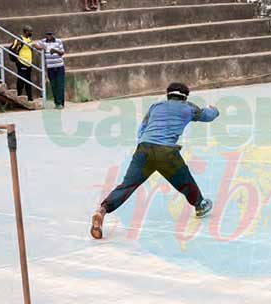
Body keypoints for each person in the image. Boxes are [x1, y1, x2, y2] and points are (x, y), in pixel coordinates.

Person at [90, 82, 217, 240]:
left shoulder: (155, 107)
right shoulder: (188, 107)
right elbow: (207, 116)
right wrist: (214, 110)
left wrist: (145, 148)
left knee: (126, 186)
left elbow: (142, 129)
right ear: (184, 97)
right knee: (186, 181)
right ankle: (200, 205)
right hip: (167, 153)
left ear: (168, 95)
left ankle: (102, 210)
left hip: (143, 149)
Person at [35, 29, 66, 109]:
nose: (49, 36)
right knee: (53, 85)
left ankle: (60, 103)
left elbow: (62, 52)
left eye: (50, 34)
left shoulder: (58, 41)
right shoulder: (44, 41)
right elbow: (36, 45)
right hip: (50, 67)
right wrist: (42, 48)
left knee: (60, 85)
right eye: (47, 34)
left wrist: (55, 51)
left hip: (59, 66)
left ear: (53, 35)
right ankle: (57, 102)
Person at [10, 25, 36, 101]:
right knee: (21, 80)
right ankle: (19, 95)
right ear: (25, 31)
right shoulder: (19, 39)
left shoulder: (29, 39)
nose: (31, 32)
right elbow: (13, 50)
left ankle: (30, 97)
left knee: (29, 80)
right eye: (30, 31)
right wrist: (17, 45)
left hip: (29, 63)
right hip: (21, 62)